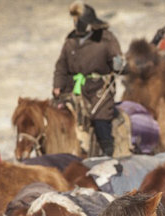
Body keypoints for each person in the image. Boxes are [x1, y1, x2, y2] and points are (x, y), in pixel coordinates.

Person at [52, 2, 122, 156]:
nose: (75, 23)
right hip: (72, 89)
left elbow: (117, 61)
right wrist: (58, 85)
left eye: (77, 20)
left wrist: (118, 64)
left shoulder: (106, 38)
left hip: (98, 90)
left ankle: (109, 155)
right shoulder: (70, 39)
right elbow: (61, 65)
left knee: (100, 121)